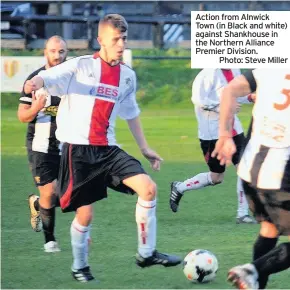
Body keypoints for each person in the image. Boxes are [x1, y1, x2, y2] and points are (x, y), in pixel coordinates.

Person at [23, 14, 182, 282]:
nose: (121, 44)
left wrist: (145, 148)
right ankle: (79, 267)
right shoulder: (80, 66)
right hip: (79, 151)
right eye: (115, 39)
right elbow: (46, 77)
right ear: (101, 41)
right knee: (85, 215)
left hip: (108, 150)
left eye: (124, 39)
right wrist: (34, 84)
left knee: (148, 188)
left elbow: (131, 113)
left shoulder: (127, 76)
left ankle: (146, 252)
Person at [212, 69, 290, 289]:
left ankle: (255, 280)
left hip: (249, 171)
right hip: (279, 174)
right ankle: (252, 270)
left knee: (269, 229)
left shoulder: (270, 65)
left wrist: (225, 136)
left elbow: (230, 90)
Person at [170, 68, 256, 224]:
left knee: (244, 168)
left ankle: (242, 214)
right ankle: (180, 187)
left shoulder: (234, 69)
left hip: (234, 129)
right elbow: (198, 100)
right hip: (211, 133)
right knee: (217, 177)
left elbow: (236, 94)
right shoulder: (207, 74)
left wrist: (250, 97)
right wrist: (223, 106)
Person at [18, 35, 68, 252]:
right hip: (40, 145)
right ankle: (50, 241)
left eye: (62, 52)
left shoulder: (73, 78)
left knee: (68, 195)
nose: (57, 56)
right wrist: (37, 106)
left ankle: (38, 204)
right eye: (53, 51)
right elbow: (23, 116)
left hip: (68, 144)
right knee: (50, 191)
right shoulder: (34, 80)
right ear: (45, 52)